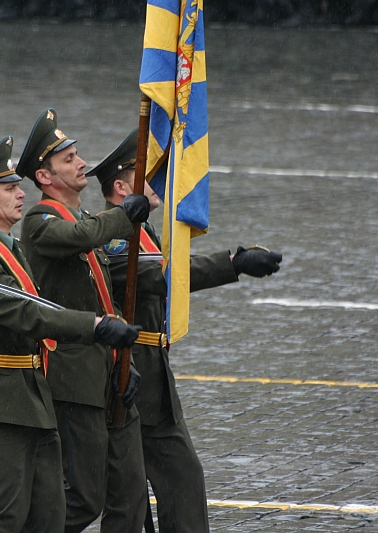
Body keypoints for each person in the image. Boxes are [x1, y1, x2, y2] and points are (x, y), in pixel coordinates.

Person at [0, 136, 141, 533]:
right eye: (9, 188)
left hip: (33, 396)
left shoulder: (11, 248)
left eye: (18, 185)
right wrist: (95, 326)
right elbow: (25, 315)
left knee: (48, 518)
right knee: (1, 518)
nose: (20, 194)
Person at [89, 129, 283, 533]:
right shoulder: (113, 238)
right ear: (122, 187)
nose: (157, 182)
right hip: (125, 377)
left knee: (184, 480)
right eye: (146, 173)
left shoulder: (142, 231)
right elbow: (161, 277)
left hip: (155, 382)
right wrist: (234, 262)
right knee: (128, 505)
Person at [17, 109, 152, 533]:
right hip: (73, 379)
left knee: (130, 496)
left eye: (76, 153)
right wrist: (126, 213)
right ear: (44, 176)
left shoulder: (85, 220)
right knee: (80, 498)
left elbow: (105, 291)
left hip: (108, 370)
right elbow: (81, 238)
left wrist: (120, 363)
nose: (80, 163)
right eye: (68, 158)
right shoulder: (41, 222)